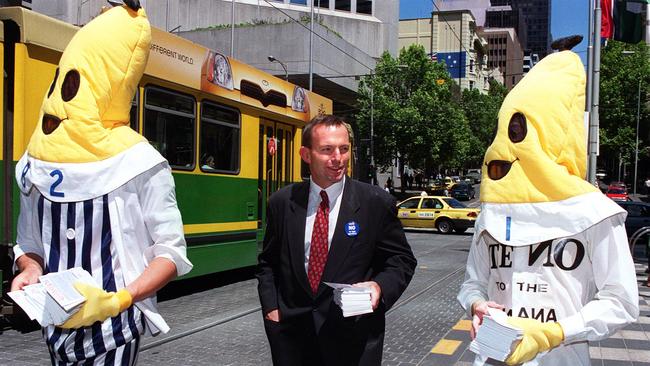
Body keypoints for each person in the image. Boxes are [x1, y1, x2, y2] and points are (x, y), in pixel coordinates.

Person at [10, 2, 192, 364]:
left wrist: (119, 299)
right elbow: (30, 243)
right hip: (55, 325)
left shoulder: (140, 163)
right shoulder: (40, 161)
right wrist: (29, 269)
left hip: (115, 330)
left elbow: (170, 253)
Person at [457, 40, 638, 365]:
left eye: (519, 131)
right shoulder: (494, 212)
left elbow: (621, 301)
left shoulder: (594, 213)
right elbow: (473, 283)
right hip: (492, 356)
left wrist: (552, 333)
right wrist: (476, 305)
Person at [257, 114, 417, 366]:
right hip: (292, 341)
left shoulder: (375, 203)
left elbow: (401, 260)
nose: (338, 158)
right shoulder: (282, 202)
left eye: (344, 149)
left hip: (354, 340)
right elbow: (268, 263)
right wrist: (271, 309)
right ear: (306, 155)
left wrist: (379, 287)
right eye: (327, 150)